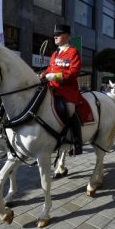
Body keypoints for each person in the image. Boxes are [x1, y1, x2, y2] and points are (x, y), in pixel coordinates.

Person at [44, 24, 82, 155]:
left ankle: (77, 141)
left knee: (70, 111)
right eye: (54, 35)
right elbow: (50, 69)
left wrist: (55, 76)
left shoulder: (73, 52)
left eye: (58, 34)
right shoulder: (55, 53)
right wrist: (43, 75)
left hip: (67, 90)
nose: (55, 37)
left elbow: (74, 72)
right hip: (52, 88)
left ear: (66, 36)